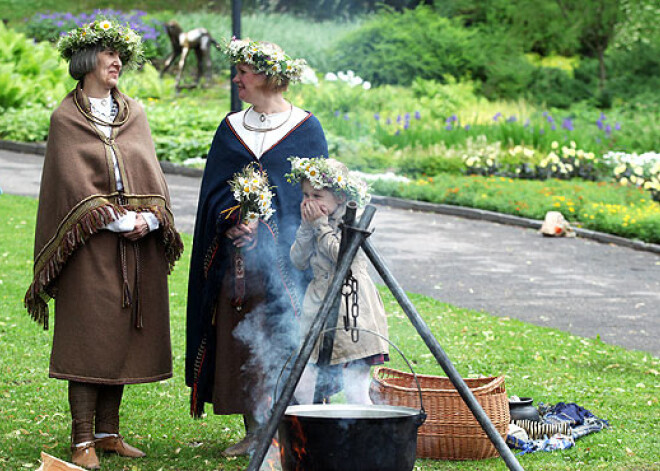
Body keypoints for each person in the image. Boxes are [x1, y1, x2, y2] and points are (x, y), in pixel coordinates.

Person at [24, 20, 183, 470]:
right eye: (108, 54)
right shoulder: (66, 118)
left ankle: (109, 433)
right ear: (85, 61)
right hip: (90, 247)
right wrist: (116, 221)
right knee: (88, 338)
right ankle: (81, 441)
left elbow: (153, 176)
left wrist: (151, 218)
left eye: (121, 56)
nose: (117, 63)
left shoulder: (134, 113)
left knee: (124, 336)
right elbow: (68, 187)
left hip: (138, 245)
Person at [185, 38, 328, 457]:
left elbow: (318, 195)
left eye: (243, 72)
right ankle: (253, 430)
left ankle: (291, 431)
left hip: (289, 265)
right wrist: (232, 219)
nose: (236, 80)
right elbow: (213, 194)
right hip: (237, 265)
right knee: (241, 340)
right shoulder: (231, 128)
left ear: (266, 76)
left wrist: (266, 224)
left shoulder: (306, 128)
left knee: (286, 337)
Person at [287, 157, 390, 405]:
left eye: (317, 196)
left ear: (340, 198)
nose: (308, 202)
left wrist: (320, 225)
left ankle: (366, 439)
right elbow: (298, 260)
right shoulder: (312, 222)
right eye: (305, 195)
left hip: (352, 309)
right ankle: (313, 437)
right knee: (303, 385)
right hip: (319, 307)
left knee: (356, 390)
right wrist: (305, 226)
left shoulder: (352, 220)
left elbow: (341, 256)